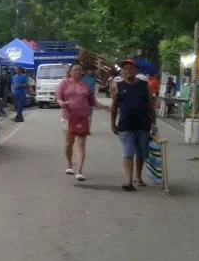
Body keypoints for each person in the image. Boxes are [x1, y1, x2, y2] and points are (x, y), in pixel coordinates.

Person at [110, 59, 156, 191]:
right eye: (125, 68)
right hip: (125, 125)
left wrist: (154, 124)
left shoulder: (144, 85)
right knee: (128, 152)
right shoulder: (117, 87)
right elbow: (114, 107)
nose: (128, 70)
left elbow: (151, 106)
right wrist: (113, 123)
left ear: (136, 71)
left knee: (141, 153)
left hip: (143, 124)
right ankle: (129, 180)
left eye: (130, 68)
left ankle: (138, 177)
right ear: (121, 72)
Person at [57, 63, 109, 181]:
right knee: (68, 144)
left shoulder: (86, 86)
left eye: (80, 70)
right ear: (70, 72)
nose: (78, 72)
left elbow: (93, 102)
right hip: (68, 117)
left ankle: (79, 171)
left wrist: (104, 107)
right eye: (75, 70)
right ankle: (70, 165)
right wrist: (62, 103)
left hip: (82, 117)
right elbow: (58, 98)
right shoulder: (64, 83)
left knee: (81, 144)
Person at [81, 68, 97, 135]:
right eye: (89, 70)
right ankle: (82, 128)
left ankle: (88, 129)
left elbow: (98, 70)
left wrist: (98, 61)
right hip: (82, 98)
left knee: (89, 115)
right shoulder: (82, 77)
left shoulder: (94, 77)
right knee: (83, 114)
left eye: (92, 70)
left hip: (90, 98)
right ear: (86, 71)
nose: (91, 71)